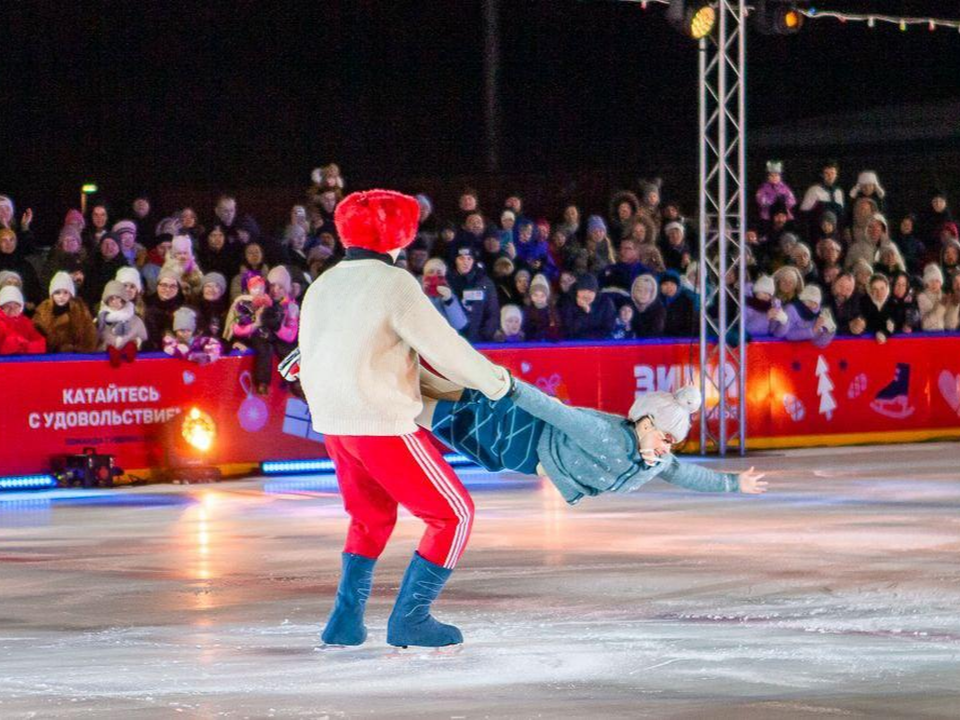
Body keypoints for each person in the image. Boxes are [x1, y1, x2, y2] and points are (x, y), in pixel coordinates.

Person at [297, 189, 513, 649]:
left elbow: (308, 355)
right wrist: (497, 383)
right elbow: (446, 348)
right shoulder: (394, 285)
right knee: (453, 514)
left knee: (370, 518)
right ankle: (411, 618)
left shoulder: (323, 284)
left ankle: (345, 621)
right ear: (398, 235)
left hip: (336, 424)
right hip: (380, 420)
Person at [421, 378, 768, 506]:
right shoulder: (609, 437)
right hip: (521, 436)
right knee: (446, 409)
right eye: (665, 437)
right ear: (645, 422)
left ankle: (395, 384)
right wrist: (509, 386)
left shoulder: (656, 463)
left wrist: (733, 483)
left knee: (451, 409)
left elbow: (684, 474)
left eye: (672, 443)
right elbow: (556, 413)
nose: (666, 448)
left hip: (523, 451)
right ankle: (385, 392)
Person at [447, 241, 499, 343]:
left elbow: (493, 313)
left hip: (479, 341)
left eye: (469, 259)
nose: (465, 262)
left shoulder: (484, 283)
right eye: (461, 258)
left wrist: (485, 336)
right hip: (453, 342)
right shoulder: (448, 282)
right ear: (455, 260)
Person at [32, 272, 97, 353]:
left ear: (71, 294)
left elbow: (89, 337)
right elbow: (36, 337)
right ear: (51, 295)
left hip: (76, 358)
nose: (61, 296)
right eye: (57, 292)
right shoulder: (42, 312)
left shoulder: (81, 310)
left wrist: (75, 349)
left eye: (65, 292)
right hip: (50, 358)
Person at [96, 280, 148, 362]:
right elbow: (95, 341)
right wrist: (106, 348)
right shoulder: (101, 320)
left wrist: (134, 344)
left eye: (118, 298)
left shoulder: (136, 320)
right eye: (111, 299)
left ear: (123, 300)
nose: (114, 301)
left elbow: (144, 339)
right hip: (106, 366)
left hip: (131, 367)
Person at [559, 273, 616, 341]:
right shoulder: (568, 301)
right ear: (577, 291)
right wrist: (584, 312)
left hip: (598, 343)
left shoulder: (606, 302)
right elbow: (569, 330)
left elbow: (609, 328)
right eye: (583, 291)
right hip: (575, 343)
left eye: (590, 292)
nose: (586, 295)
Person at [421, 258, 468, 332]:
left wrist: (449, 301)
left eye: (439, 273)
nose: (434, 275)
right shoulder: (415, 292)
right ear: (424, 277)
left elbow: (460, 324)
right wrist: (421, 295)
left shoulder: (450, 294)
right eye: (431, 272)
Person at [0, 285, 46, 355]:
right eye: (7, 306)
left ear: (21, 307)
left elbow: (40, 343)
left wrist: (25, 346)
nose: (12, 309)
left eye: (16, 305)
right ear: (1, 307)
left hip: (24, 362)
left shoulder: (26, 322)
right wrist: (13, 344)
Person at [745, 275, 787, 339]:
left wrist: (783, 322)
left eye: (770, 295)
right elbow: (744, 329)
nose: (767, 296)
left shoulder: (773, 305)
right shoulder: (746, 305)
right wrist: (765, 317)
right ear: (756, 291)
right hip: (748, 344)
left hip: (766, 343)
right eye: (765, 293)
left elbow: (777, 334)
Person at [660, 270, 696, 337]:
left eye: (672, 284)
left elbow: (691, 327)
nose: (669, 287)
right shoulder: (656, 302)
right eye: (665, 284)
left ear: (678, 286)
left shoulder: (686, 302)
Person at [630, 273, 666, 338]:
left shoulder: (658, 309)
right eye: (639, 290)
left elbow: (654, 333)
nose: (642, 294)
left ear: (653, 293)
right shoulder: (628, 305)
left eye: (647, 291)